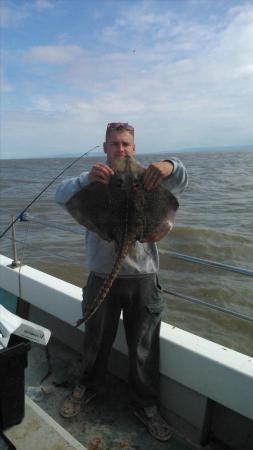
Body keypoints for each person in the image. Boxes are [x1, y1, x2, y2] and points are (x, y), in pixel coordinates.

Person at [55, 122, 188, 442]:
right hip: (102, 275)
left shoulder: (150, 176)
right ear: (105, 148)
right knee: (96, 340)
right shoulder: (95, 179)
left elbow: (182, 178)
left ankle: (145, 405)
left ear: (134, 147)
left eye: (126, 144)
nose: (121, 150)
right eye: (115, 144)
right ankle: (87, 388)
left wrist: (168, 165)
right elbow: (61, 196)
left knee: (143, 347)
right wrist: (88, 178)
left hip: (143, 278)